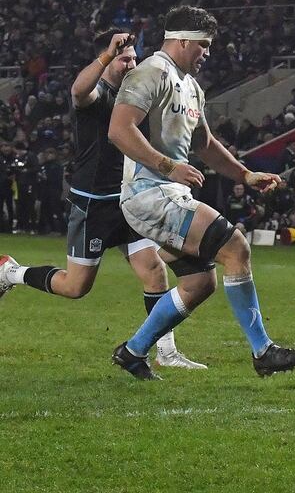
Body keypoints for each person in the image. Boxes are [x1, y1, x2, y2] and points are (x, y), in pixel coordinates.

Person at [106, 5, 295, 380]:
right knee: (237, 248)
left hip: (166, 192)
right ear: (184, 40)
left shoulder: (191, 86)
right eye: (205, 46)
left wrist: (245, 175)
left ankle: (132, 352)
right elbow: (119, 131)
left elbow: (205, 143)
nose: (208, 53)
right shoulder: (151, 72)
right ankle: (263, 351)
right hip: (148, 193)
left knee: (200, 283)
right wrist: (168, 166)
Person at [0, 28, 204, 369]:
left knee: (155, 272)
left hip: (128, 200)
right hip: (93, 202)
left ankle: (166, 352)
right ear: (108, 59)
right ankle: (11, 272)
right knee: (75, 286)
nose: (131, 64)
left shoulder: (135, 96)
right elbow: (78, 91)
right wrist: (108, 54)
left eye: (134, 59)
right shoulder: (97, 94)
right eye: (125, 59)